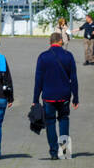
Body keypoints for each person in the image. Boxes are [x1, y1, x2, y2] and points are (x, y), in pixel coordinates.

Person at [33, 31, 79, 160]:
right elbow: (73, 78)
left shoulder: (43, 57)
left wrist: (35, 99)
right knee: (64, 120)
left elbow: (38, 80)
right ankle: (64, 150)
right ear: (60, 41)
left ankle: (53, 152)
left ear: (50, 42)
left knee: (50, 123)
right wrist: (76, 97)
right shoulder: (68, 56)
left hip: (48, 96)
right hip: (64, 95)